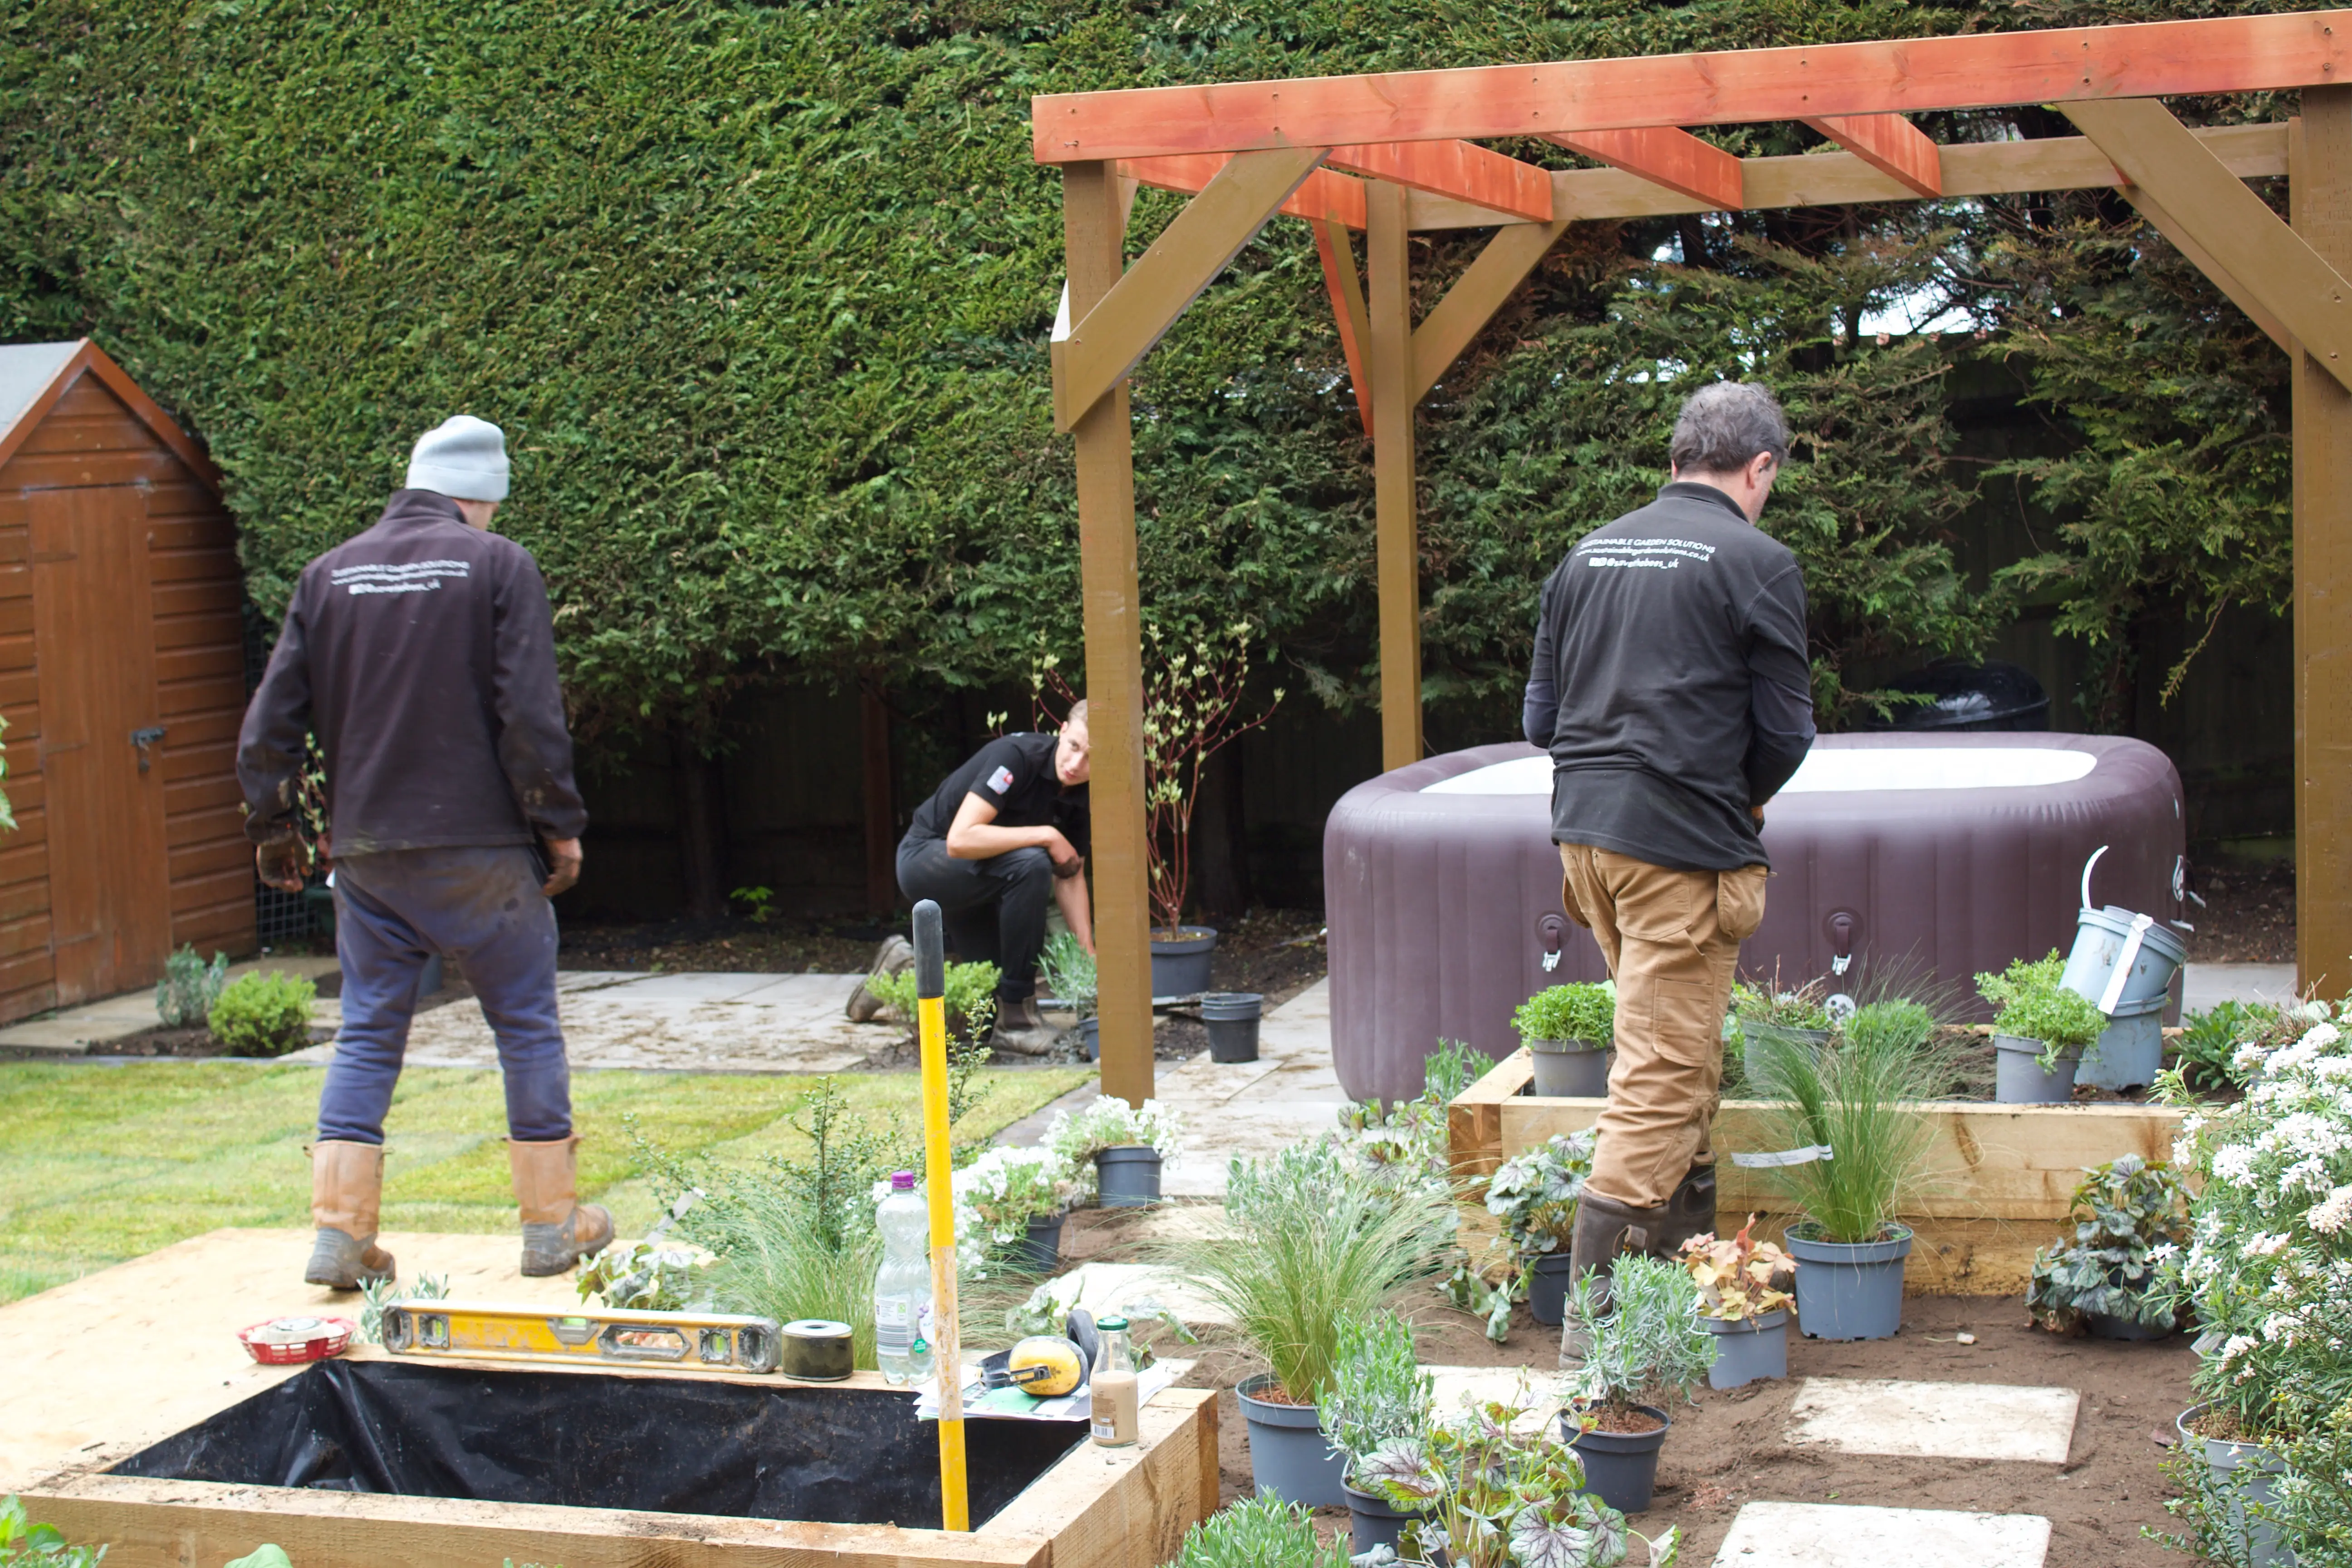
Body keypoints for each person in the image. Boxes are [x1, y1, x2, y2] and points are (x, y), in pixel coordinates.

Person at [238, 414, 612, 1289]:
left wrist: (274, 830)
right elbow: (528, 713)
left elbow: (268, 731)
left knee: (368, 1031)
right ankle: (551, 1224)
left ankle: (341, 1234)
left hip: (368, 858)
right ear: (481, 497)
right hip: (481, 849)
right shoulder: (497, 564)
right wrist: (558, 823)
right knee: (523, 1025)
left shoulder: (325, 575)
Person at [1523, 381, 1815, 1313]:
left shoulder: (1586, 555)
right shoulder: (1757, 561)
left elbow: (1540, 720)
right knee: (1659, 1076)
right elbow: (1788, 734)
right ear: (1759, 467)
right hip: (1679, 852)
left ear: (1678, 457)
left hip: (1588, 846)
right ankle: (1597, 1336)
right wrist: (1743, 800)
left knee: (1671, 1050)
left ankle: (1681, 1279)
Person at [879, 706, 1095, 1054]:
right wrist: (1047, 835)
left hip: (987, 879)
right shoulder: (1017, 758)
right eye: (1073, 746)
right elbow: (960, 840)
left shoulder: (1080, 794)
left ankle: (901, 965)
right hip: (928, 862)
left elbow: (1070, 873)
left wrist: (1087, 956)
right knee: (1032, 862)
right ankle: (1019, 1020)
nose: (1075, 764)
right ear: (1063, 729)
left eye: (1090, 758)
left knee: (983, 1012)